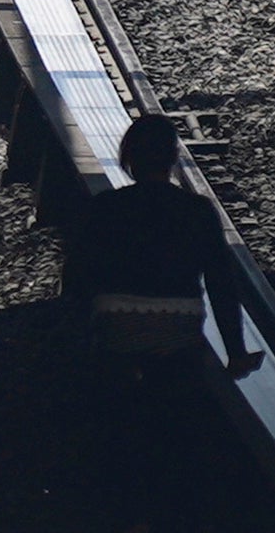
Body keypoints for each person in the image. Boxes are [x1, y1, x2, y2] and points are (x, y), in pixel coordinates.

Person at [68, 111, 260, 374]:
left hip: (117, 321)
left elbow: (78, 274)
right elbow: (221, 282)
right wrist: (236, 352)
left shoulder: (105, 206)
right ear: (172, 158)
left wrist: (77, 338)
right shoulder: (198, 210)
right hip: (178, 322)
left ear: (130, 158)